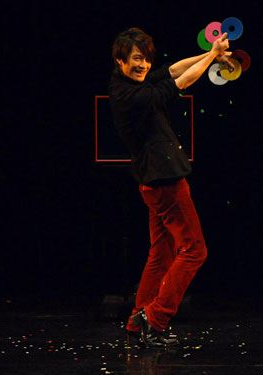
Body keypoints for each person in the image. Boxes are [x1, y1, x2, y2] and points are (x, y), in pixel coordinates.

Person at [109, 27, 231, 348]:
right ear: (120, 60)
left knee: (161, 254)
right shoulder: (131, 96)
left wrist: (211, 53)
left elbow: (174, 69)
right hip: (165, 181)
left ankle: (138, 322)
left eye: (146, 60)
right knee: (195, 250)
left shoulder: (134, 82)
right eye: (137, 60)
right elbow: (183, 81)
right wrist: (213, 57)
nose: (144, 66)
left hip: (154, 182)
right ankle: (156, 316)